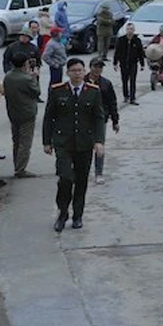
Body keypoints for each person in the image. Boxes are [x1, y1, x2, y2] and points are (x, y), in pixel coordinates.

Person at [42, 58, 105, 232]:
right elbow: (49, 117)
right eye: (74, 71)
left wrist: (99, 141)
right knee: (65, 178)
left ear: (84, 72)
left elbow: (98, 118)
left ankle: (78, 215)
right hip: (63, 142)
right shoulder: (57, 91)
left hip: (84, 142)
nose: (77, 74)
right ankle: (63, 213)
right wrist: (47, 141)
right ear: (67, 72)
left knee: (81, 180)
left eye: (80, 70)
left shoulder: (93, 91)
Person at [4, 51, 41, 178]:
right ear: (25, 63)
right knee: (25, 142)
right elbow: (37, 92)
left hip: (13, 112)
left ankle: (17, 164)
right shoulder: (27, 79)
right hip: (27, 113)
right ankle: (20, 169)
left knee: (16, 140)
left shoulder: (8, 76)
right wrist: (34, 77)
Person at [86, 57, 120, 185]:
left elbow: (112, 102)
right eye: (95, 66)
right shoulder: (82, 81)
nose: (97, 69)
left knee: (99, 145)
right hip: (83, 119)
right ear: (90, 67)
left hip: (100, 119)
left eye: (100, 67)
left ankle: (99, 172)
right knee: (84, 146)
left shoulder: (106, 84)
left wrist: (115, 120)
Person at [113, 22, 145, 105]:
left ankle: (132, 98)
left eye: (131, 29)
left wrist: (142, 64)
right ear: (126, 30)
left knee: (132, 81)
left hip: (133, 63)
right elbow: (117, 52)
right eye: (128, 29)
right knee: (124, 80)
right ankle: (125, 96)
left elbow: (140, 53)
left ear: (134, 30)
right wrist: (115, 63)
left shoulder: (137, 40)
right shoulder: (121, 40)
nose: (129, 31)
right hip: (123, 63)